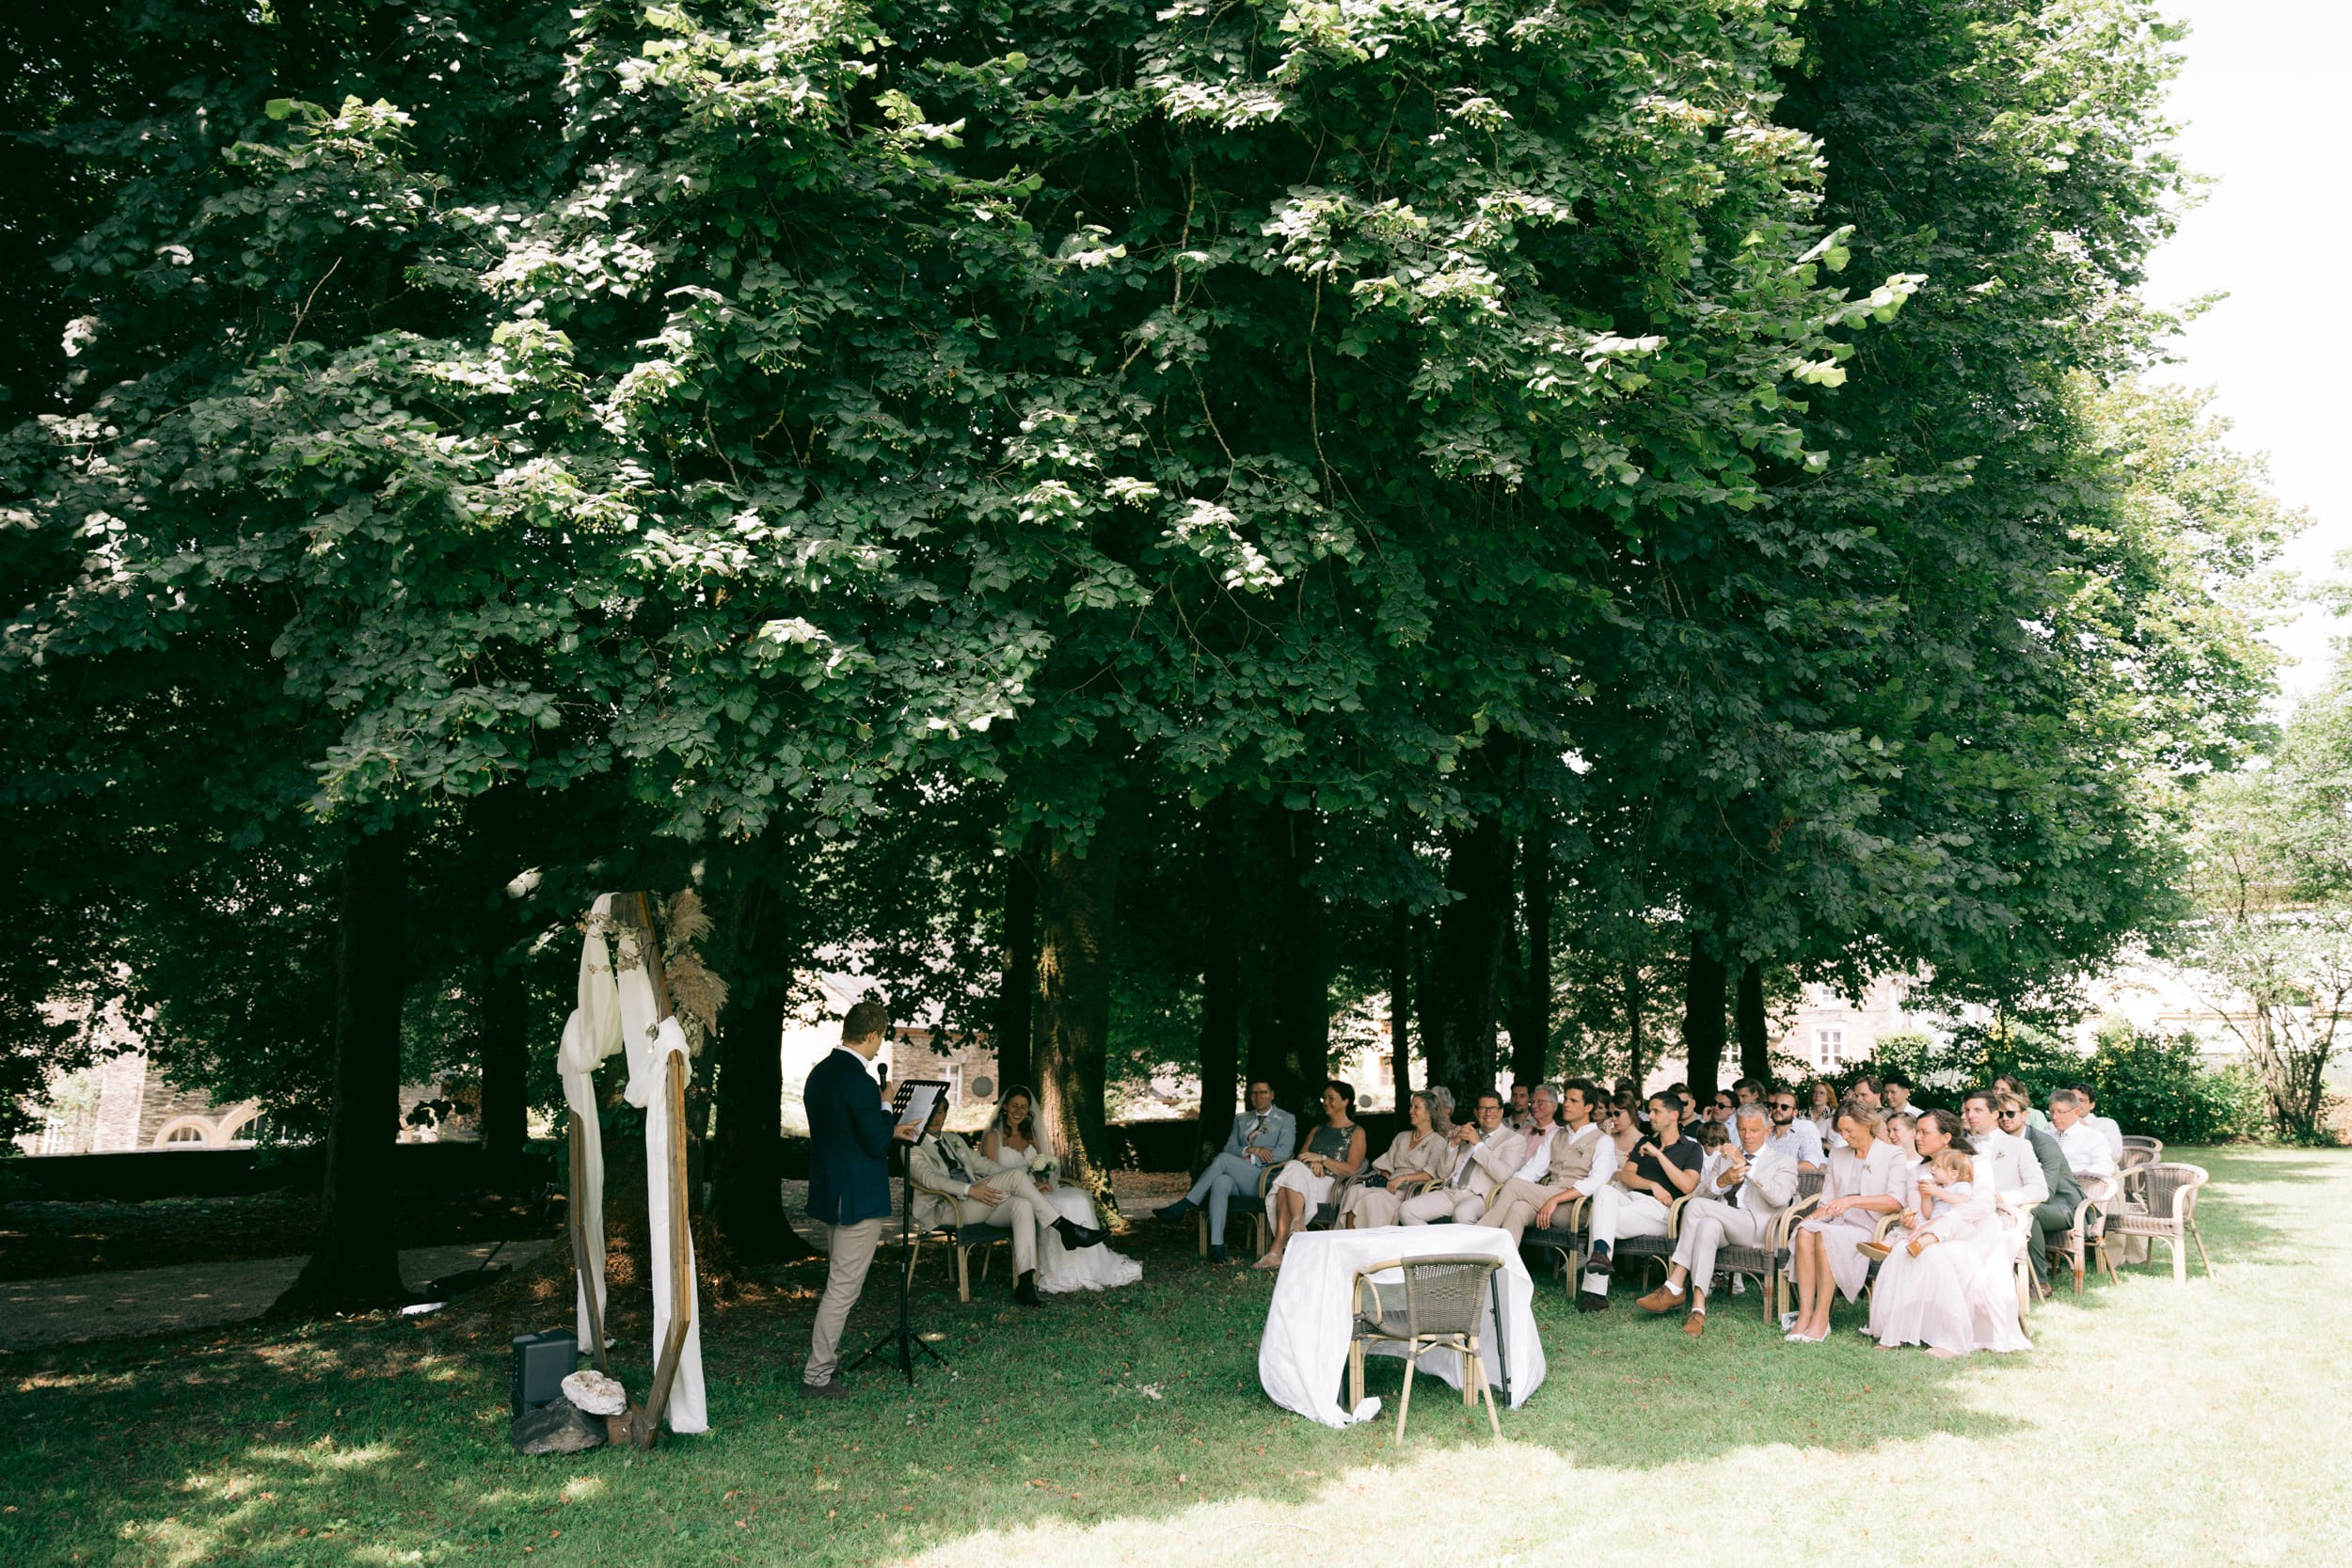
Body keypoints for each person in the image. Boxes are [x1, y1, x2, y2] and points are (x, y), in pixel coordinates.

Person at [801, 1000, 921, 1398]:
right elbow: (872, 1141)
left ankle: (820, 1369)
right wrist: (887, 1103)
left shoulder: (819, 1074)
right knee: (842, 1289)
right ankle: (817, 1376)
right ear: (872, 1035)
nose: (878, 1047)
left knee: (838, 1282)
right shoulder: (861, 1081)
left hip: (830, 1192)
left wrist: (890, 1128)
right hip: (857, 1198)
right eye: (880, 1039)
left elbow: (846, 1130)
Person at [1633, 1102, 1801, 1336]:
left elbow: (1779, 1198)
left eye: (1753, 1130)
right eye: (1742, 1130)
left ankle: (1674, 1283)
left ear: (1768, 1131)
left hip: (1758, 1228)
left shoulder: (1783, 1161)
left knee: (1700, 1208)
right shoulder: (1725, 1157)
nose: (1747, 1136)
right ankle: (1698, 1310)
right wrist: (1721, 1181)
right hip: (1723, 1222)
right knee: (1707, 1224)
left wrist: (1747, 1168)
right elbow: (1699, 1192)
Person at [1868, 1130, 2029, 1357]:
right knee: (1901, 1252)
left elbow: (1979, 1205)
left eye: (1925, 1132)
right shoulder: (1921, 1172)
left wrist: (1936, 1219)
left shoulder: (1973, 1165)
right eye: (1916, 1132)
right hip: (1933, 1228)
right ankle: (1895, 1331)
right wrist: (1912, 1215)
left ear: (1945, 1136)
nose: (1918, 1137)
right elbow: (1924, 1215)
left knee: (1936, 1256)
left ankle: (1949, 1338)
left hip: (1973, 1233)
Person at [973, 1087, 1140, 1292]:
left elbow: (1043, 1166)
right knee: (1061, 1204)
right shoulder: (993, 1137)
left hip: (1038, 1190)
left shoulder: (1031, 1134)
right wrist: (1031, 1186)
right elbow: (993, 1179)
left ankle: (1090, 1267)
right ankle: (1061, 1268)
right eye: (1014, 1106)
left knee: (1077, 1200)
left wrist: (1044, 1180)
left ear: (1028, 1110)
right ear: (1005, 1106)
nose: (1018, 1111)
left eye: (1023, 1107)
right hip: (1011, 1198)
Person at [907, 1100, 1058, 1305]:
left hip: (973, 1204)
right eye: (930, 1113)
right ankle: (1063, 1227)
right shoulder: (912, 1146)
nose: (935, 1118)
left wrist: (1026, 1184)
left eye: (940, 1112)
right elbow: (931, 1180)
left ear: (945, 1114)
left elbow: (984, 1165)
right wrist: (971, 1189)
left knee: (1022, 1204)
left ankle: (1025, 1284)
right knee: (1014, 1178)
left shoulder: (953, 1139)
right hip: (944, 1208)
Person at [1785, 1101, 1908, 1342]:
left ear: (1867, 1125)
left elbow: (1895, 1202)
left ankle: (1822, 1319)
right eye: (1841, 1131)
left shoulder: (1892, 1154)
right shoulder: (1839, 1154)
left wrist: (1852, 1201)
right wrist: (1807, 1220)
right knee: (1806, 1231)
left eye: (1849, 1130)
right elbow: (1828, 1202)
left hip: (1869, 1227)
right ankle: (1805, 1315)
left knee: (1824, 1235)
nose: (1844, 1136)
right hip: (1836, 1222)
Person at [1578, 1092, 1701, 1313]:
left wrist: (1658, 1155)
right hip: (1631, 1199)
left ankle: (1594, 1292)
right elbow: (1626, 1176)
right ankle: (1600, 1252)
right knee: (1605, 1190)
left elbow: (1687, 1185)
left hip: (1661, 1212)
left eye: (1656, 1111)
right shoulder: (1645, 1141)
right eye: (1650, 1110)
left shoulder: (1691, 1148)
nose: (1650, 1115)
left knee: (1600, 1220)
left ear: (1674, 1115)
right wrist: (1653, 1185)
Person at [1157, 1078, 1297, 1261]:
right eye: (1254, 1093)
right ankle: (1217, 1247)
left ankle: (1185, 1205)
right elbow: (1229, 1148)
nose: (1258, 1096)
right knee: (1220, 1182)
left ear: (1272, 1095)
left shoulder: (1286, 1118)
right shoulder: (1242, 1119)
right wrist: (1250, 1149)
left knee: (1223, 1160)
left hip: (1266, 1179)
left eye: (1263, 1092)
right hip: (1241, 1178)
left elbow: (1284, 1153)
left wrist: (1252, 1159)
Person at [1482, 1079, 1616, 1243]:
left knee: (1513, 1185)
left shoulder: (1603, 1141)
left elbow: (1596, 1182)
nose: (1566, 1104)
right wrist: (1517, 1188)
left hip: (1575, 1208)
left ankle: (1476, 1240)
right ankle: (1504, 1267)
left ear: (1588, 1107)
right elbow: (1532, 1170)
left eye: (1573, 1101)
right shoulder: (1555, 1135)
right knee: (1518, 1208)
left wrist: (1555, 1199)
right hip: (1546, 1199)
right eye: (1566, 1099)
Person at [1255, 1081, 1367, 1269]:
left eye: (1331, 1098)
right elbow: (1301, 1158)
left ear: (1346, 1101)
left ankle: (1277, 1250)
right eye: (1325, 1098)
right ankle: (1296, 1224)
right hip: (1305, 1181)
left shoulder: (1357, 1132)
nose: (1326, 1102)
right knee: (1290, 1175)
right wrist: (1313, 1162)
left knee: (1286, 1184)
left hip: (1333, 1185)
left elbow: (1352, 1169)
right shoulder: (1318, 1129)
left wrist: (1322, 1159)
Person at [1400, 1090, 1528, 1225]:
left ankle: (1469, 1246)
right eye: (1483, 1108)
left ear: (1501, 1112)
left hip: (1483, 1196)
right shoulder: (1466, 1133)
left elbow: (1503, 1175)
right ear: (1476, 1112)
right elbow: (1442, 1173)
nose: (1488, 1113)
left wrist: (1478, 1144)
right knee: (1407, 1209)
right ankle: (1436, 1246)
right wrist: (1453, 1144)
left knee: (1462, 1213)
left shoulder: (1514, 1139)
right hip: (1451, 1192)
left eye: (1493, 1108)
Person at [1342, 1089, 1455, 1228]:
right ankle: (1349, 1241)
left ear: (1429, 1113)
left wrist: (1402, 1179)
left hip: (1411, 1190)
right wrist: (1383, 1180)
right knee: (1354, 1191)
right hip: (1391, 1185)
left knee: (1370, 1199)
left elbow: (1430, 1175)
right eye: (1411, 1106)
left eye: (1416, 1107)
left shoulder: (1438, 1141)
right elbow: (1386, 1165)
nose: (1411, 1111)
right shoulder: (1402, 1137)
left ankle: (1368, 1243)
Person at [2004, 1095, 2082, 1295]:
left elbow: (2046, 1192)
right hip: (2020, 1202)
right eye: (2001, 1114)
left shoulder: (2043, 1143)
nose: (2005, 1118)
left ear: (2024, 1116)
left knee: (2031, 1213)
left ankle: (2039, 1282)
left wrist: (2010, 1199)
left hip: (2064, 1205)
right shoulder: (2001, 1142)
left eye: (2010, 1113)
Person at [2049, 1090, 2118, 1181]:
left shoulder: (2093, 1137)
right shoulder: (2046, 1135)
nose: (2054, 1117)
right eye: (2051, 1112)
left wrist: (2075, 1173)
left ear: (2076, 1112)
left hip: (2080, 1186)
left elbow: (2105, 1167)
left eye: (2060, 1112)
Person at [1765, 1088, 1825, 1170]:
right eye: (1775, 1106)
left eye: (1784, 1107)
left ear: (1795, 1113)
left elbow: (1811, 1164)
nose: (1778, 1109)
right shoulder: (1763, 1134)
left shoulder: (1803, 1136)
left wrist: (1778, 1167)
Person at [2071, 1085, 2125, 1162]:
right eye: (2071, 1100)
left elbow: (2115, 1155)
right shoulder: (2054, 1126)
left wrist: (2087, 1133)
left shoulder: (2106, 1124)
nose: (2076, 1103)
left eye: (2082, 1100)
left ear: (2092, 1105)